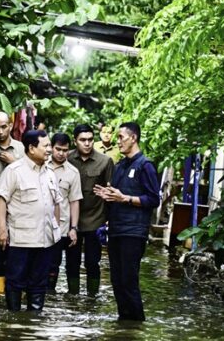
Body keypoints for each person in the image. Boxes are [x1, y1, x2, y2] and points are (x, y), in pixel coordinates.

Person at [94, 122, 161, 321]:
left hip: (134, 231)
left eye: (122, 137)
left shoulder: (145, 166)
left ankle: (137, 324)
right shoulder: (120, 166)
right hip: (116, 229)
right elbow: (117, 195)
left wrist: (126, 199)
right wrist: (108, 195)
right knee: (116, 280)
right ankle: (124, 323)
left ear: (133, 138)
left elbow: (153, 199)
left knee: (129, 280)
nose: (118, 141)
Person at [0, 130, 62, 312]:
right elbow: (1, 199)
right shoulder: (14, 171)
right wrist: (2, 228)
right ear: (31, 148)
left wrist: (56, 229)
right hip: (21, 239)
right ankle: (13, 321)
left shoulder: (50, 173)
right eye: (46, 145)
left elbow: (56, 203)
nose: (49, 150)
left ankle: (33, 322)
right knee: (15, 281)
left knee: (39, 283)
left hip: (45, 239)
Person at [67, 124, 114, 296]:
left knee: (93, 262)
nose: (87, 143)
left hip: (96, 219)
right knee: (72, 261)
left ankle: (92, 298)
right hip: (72, 220)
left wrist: (109, 220)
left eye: (90, 140)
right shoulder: (67, 158)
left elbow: (111, 192)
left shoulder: (105, 161)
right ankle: (72, 296)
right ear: (75, 141)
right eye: (82, 140)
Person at [0, 111, 25, 294]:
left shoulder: (21, 148)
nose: (1, 131)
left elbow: (30, 176)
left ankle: (13, 296)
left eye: (4, 126)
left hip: (17, 214)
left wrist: (14, 162)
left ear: (11, 126)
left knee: (16, 258)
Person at [47, 133, 82, 293]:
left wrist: (73, 228)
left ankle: (50, 295)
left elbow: (74, 201)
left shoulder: (73, 172)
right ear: (51, 148)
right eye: (58, 149)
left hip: (60, 228)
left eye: (65, 150)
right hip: (37, 226)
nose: (61, 153)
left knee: (54, 264)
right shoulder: (41, 165)